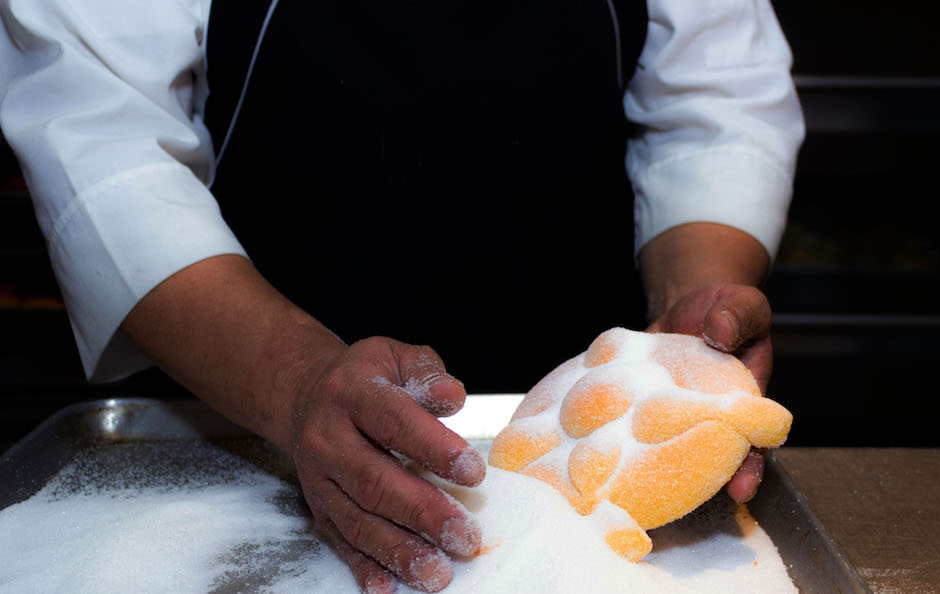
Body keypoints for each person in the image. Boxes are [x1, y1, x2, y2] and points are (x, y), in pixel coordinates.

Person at [0, 0, 804, 591]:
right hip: (241, 400)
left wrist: (692, 331)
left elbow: (716, 106)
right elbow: (104, 142)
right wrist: (292, 382)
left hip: (576, 398)